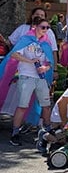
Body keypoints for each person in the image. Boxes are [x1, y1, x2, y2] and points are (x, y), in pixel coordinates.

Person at [6, 17, 54, 146]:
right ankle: (15, 133)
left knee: (46, 104)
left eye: (47, 28)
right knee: (22, 105)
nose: (45, 30)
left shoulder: (46, 42)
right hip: (26, 75)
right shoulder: (26, 39)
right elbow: (14, 54)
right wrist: (30, 61)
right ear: (35, 27)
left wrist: (46, 67)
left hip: (41, 77)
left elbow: (49, 61)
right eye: (43, 27)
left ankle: (48, 129)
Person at [8, 8, 59, 76]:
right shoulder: (23, 28)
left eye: (42, 15)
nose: (39, 17)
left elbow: (53, 51)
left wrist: (54, 69)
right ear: (32, 16)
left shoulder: (49, 32)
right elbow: (11, 44)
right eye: (37, 14)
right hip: (23, 72)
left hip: (42, 73)